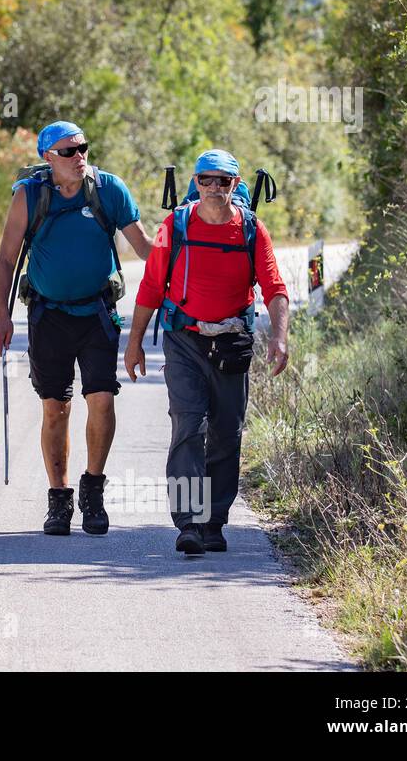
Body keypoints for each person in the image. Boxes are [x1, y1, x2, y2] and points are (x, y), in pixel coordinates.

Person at [0, 122, 153, 536]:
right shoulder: (30, 196)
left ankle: (93, 491)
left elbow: (145, 248)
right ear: (48, 157)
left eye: (83, 148)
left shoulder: (109, 190)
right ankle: (59, 499)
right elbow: (7, 259)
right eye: (68, 151)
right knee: (54, 407)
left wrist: (184, 246)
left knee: (101, 400)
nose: (79, 156)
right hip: (48, 316)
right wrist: (3, 317)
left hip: (98, 312)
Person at [123, 149, 290, 555]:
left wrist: (279, 338)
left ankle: (214, 521)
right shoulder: (174, 225)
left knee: (226, 433)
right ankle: (189, 523)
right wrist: (134, 343)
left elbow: (274, 287)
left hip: (232, 340)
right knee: (188, 427)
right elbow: (150, 286)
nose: (214, 188)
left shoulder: (252, 229)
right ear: (195, 183)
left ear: (235, 185)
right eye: (206, 180)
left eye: (223, 181)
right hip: (185, 340)